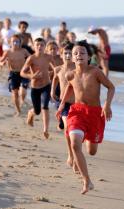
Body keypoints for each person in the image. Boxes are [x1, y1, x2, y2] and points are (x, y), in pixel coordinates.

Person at [56, 40, 115, 194]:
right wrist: (62, 105)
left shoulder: (95, 72)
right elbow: (70, 87)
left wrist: (107, 105)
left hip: (95, 113)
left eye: (82, 53)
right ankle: (86, 180)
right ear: (72, 58)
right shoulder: (70, 74)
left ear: (89, 57)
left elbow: (111, 87)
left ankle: (88, 141)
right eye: (76, 53)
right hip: (77, 112)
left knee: (92, 151)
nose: (78, 55)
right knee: (75, 144)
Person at [20, 38, 54, 139]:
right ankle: (31, 113)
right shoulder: (31, 58)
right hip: (35, 87)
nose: (39, 47)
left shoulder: (48, 57)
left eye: (42, 45)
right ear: (34, 47)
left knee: (45, 106)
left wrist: (53, 73)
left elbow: (55, 68)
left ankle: (45, 130)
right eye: (37, 45)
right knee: (37, 110)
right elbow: (22, 72)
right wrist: (32, 76)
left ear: (45, 47)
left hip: (46, 85)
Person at [51, 41, 77, 171]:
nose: (67, 55)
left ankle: (76, 153)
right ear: (61, 54)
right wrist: (52, 90)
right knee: (67, 128)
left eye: (69, 53)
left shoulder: (77, 69)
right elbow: (55, 78)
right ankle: (70, 154)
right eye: (65, 53)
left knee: (76, 133)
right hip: (63, 104)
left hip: (77, 104)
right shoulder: (58, 69)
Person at [0, 34, 31, 116]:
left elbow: (32, 58)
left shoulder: (24, 51)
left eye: (17, 41)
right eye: (13, 42)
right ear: (10, 42)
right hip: (13, 74)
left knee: (23, 91)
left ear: (20, 42)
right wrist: (1, 63)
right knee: (15, 93)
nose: (15, 43)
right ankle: (18, 110)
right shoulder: (8, 52)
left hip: (23, 73)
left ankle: (22, 101)